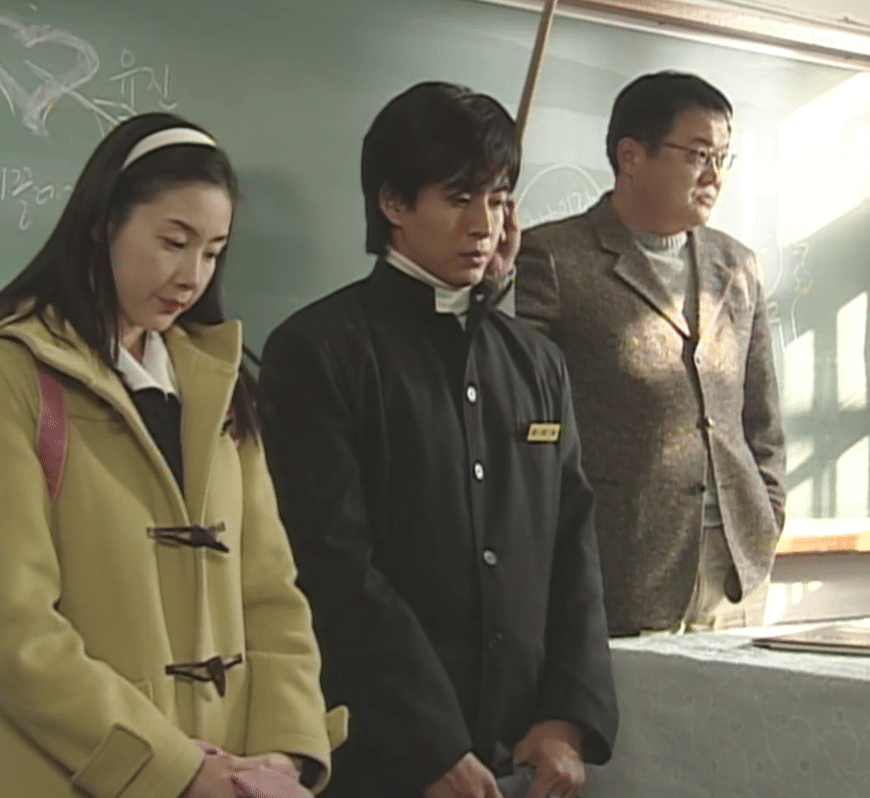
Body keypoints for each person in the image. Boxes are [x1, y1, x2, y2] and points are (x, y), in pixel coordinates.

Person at [0, 112, 342, 798]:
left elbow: (271, 592)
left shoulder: (216, 384)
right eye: (173, 242)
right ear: (103, 222)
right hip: (69, 773)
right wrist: (177, 771)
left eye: (212, 252)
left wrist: (283, 752)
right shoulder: (9, 374)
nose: (191, 276)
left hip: (228, 775)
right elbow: (14, 631)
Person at [259, 82, 617, 798]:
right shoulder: (318, 350)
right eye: (459, 199)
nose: (484, 224)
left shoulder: (535, 361)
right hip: (383, 757)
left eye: (499, 199)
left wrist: (566, 718)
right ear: (393, 203)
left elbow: (571, 546)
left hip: (523, 752)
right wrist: (427, 743)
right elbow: (333, 567)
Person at [516, 71, 787, 636]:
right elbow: (521, 423)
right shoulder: (554, 258)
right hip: (619, 565)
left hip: (734, 568)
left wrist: (767, 512)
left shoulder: (737, 266)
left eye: (723, 158)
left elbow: (761, 416)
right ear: (631, 156)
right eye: (698, 155)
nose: (714, 175)